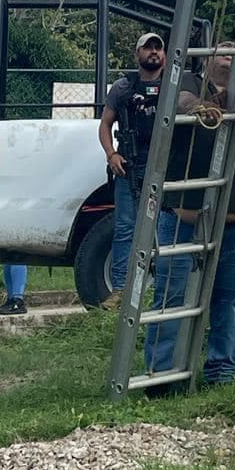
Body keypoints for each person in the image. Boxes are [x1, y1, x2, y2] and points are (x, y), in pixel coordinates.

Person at [144, 45, 235, 390]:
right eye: (221, 50)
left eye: (234, 51)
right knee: (170, 300)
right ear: (206, 59)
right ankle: (161, 379)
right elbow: (181, 103)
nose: (228, 54)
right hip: (183, 219)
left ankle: (220, 376)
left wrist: (227, 107)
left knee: (230, 305)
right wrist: (203, 108)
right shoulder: (186, 81)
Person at [98, 32, 166, 309]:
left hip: (163, 166)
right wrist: (112, 154)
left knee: (164, 228)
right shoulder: (123, 88)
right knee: (126, 227)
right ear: (137, 54)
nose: (153, 52)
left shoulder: (176, 87)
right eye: (147, 48)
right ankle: (120, 290)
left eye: (158, 48)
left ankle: (163, 288)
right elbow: (104, 125)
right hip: (129, 165)